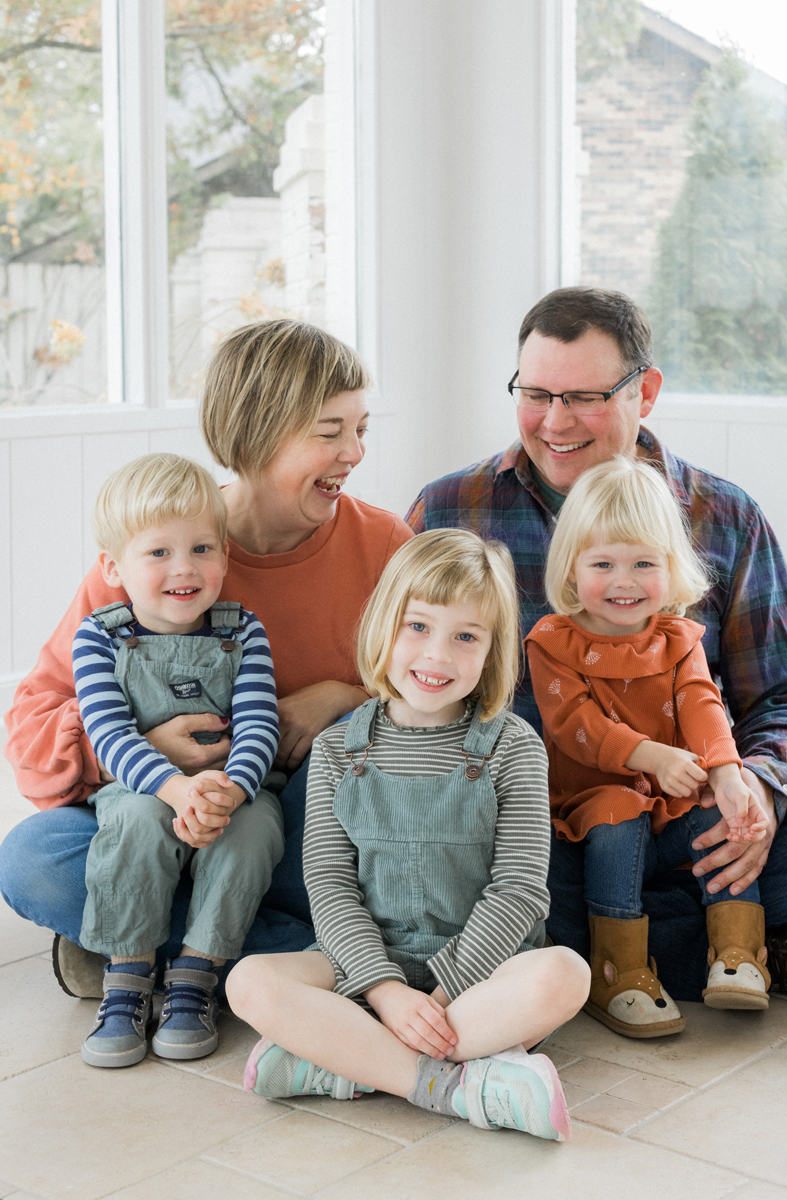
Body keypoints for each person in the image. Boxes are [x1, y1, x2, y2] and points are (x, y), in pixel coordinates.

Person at [407, 286, 787, 1007]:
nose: (555, 421)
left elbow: (784, 700)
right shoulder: (450, 510)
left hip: (690, 822)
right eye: (536, 393)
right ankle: (760, 950)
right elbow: (398, 672)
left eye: (585, 396)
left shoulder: (725, 517)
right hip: (540, 831)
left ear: (648, 392)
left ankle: (630, 952)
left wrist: (756, 792)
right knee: (488, 882)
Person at [0, 319, 412, 997]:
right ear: (258, 432)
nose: (355, 452)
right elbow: (33, 721)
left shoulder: (385, 546)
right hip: (150, 814)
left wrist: (348, 695)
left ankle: (133, 946)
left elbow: (450, 695)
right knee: (31, 860)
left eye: (361, 429)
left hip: (279, 832)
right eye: (330, 432)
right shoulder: (160, 551)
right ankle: (299, 961)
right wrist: (139, 751)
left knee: (347, 761)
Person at [226, 528, 590, 1142]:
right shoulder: (340, 748)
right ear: (383, 626)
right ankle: (450, 1084)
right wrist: (388, 993)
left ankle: (349, 1062)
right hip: (365, 972)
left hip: (480, 981)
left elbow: (520, 891)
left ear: (492, 649)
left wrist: (445, 993)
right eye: (417, 627)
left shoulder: (514, 748)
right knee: (248, 983)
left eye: (465, 636)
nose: (437, 656)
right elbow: (331, 886)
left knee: (566, 974)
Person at [526, 457, 772, 1038]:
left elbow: (701, 703)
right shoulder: (553, 643)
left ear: (670, 566)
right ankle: (619, 970)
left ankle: (737, 953)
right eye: (603, 564)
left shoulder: (678, 639)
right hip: (588, 810)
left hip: (671, 804)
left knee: (736, 816)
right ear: (572, 567)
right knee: (617, 815)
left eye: (644, 563)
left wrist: (730, 775)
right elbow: (574, 725)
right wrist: (650, 756)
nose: (625, 582)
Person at [74, 453, 284, 1068]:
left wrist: (232, 792)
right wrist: (173, 790)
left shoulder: (243, 629)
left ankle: (196, 971)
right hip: (144, 792)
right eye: (158, 553)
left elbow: (258, 723)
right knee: (132, 824)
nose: (184, 569)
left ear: (224, 553)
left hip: (229, 795)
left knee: (260, 828)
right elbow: (108, 735)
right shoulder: (98, 636)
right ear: (114, 567)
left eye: (201, 548)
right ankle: (128, 974)